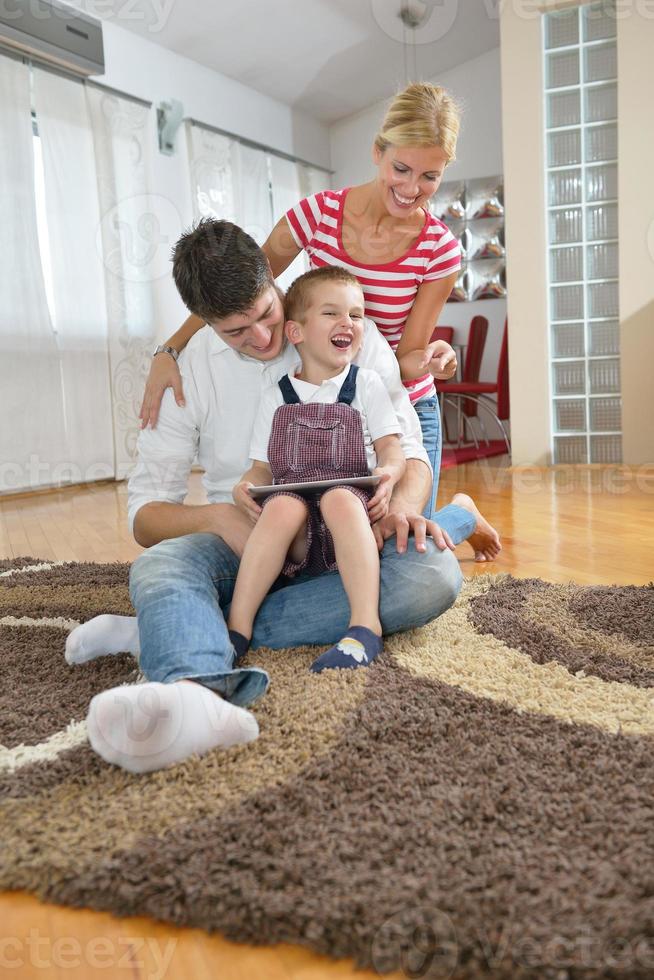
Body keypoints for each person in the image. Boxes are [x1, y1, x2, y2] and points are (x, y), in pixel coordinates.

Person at [68, 220, 496, 776]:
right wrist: (223, 516)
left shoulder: (342, 331)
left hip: (352, 534)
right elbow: (145, 515)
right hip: (256, 540)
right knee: (161, 565)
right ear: (205, 324)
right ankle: (196, 691)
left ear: (275, 281)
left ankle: (172, 628)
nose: (262, 338)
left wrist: (401, 509)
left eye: (266, 315)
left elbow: (409, 452)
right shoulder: (185, 368)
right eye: (236, 331)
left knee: (432, 577)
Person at [138, 82, 496, 537]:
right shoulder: (318, 214)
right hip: (331, 390)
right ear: (377, 151)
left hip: (399, 394)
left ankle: (460, 511)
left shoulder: (439, 250)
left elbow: (407, 356)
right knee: (347, 538)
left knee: (404, 530)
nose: (411, 189)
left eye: (430, 177)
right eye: (401, 168)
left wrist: (432, 360)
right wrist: (170, 349)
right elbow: (239, 292)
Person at [228, 266, 406, 674]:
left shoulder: (366, 385)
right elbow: (260, 469)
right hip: (298, 537)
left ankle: (364, 625)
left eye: (356, 315)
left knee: (340, 497)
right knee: (283, 507)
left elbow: (391, 451)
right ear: (296, 332)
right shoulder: (276, 395)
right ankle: (236, 628)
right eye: (332, 313)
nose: (348, 323)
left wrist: (389, 476)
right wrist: (245, 485)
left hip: (349, 520)